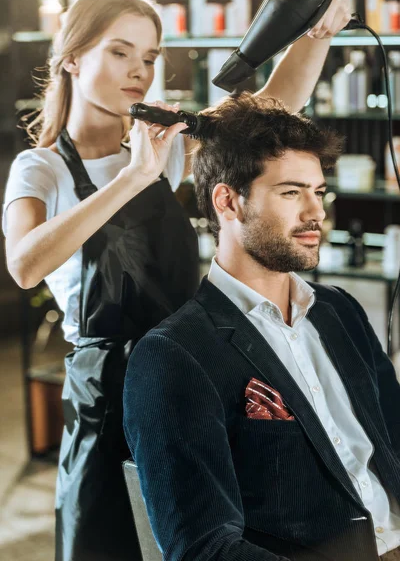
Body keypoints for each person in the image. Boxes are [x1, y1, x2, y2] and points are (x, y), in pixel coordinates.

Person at [3, 0, 351, 561]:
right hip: (107, 390)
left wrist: (320, 31)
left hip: (188, 369)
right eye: (120, 52)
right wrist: (132, 178)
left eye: (149, 57)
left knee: (202, 533)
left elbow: (275, 99)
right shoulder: (41, 169)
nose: (138, 70)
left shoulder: (162, 142)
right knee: (108, 538)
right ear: (71, 59)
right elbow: (24, 264)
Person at [123, 93, 400, 561]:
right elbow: (205, 548)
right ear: (228, 202)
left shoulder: (341, 312)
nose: (316, 213)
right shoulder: (175, 355)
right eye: (292, 192)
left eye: (318, 191)